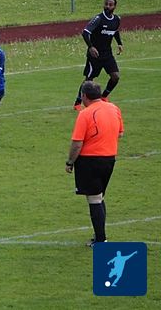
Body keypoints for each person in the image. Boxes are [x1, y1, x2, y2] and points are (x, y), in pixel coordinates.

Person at [65, 81, 124, 246]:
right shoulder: (114, 108)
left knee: (94, 199)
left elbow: (77, 143)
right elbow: (120, 133)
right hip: (109, 159)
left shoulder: (85, 114)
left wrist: (70, 162)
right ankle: (99, 236)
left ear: (84, 96)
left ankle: (101, 240)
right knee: (99, 196)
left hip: (90, 161)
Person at [74, 0, 123, 110]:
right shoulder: (98, 19)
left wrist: (119, 43)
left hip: (107, 54)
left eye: (110, 5)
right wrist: (91, 47)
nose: (107, 6)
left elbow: (115, 31)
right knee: (89, 80)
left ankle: (104, 96)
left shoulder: (117, 19)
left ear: (114, 7)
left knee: (115, 76)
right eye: (106, 4)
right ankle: (77, 103)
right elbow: (85, 33)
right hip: (95, 55)